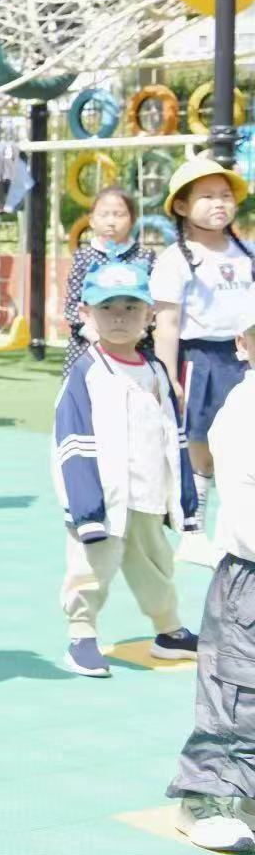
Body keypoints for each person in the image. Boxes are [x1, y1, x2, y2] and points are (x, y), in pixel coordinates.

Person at [50, 260, 201, 677]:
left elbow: (173, 436)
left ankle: (169, 631)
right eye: (108, 307)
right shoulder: (86, 372)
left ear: (150, 314)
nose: (119, 317)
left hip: (147, 493)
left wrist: (181, 498)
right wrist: (85, 506)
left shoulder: (155, 371)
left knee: (156, 564)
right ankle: (82, 635)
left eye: (131, 307)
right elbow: (71, 442)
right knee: (90, 569)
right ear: (86, 314)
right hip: (101, 501)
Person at [165, 297, 255, 852]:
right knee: (238, 692)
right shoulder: (244, 408)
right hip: (250, 575)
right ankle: (209, 796)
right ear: (244, 346)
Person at [151, 157, 254, 566]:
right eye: (207, 196)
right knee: (199, 446)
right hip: (199, 359)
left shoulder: (245, 251)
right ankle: (192, 531)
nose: (219, 204)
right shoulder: (177, 259)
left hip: (243, 357)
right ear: (181, 206)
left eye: (225, 196)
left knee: (241, 446)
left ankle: (237, 530)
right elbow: (168, 322)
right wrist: (167, 376)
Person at [64, 185, 151, 362]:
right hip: (89, 345)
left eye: (119, 215)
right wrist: (92, 334)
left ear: (132, 220)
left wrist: (138, 332)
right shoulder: (83, 257)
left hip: (137, 344)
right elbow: (73, 303)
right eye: (104, 215)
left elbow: (154, 301)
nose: (111, 221)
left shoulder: (145, 257)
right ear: (92, 220)